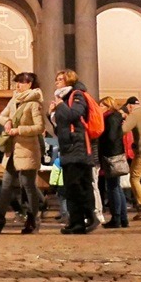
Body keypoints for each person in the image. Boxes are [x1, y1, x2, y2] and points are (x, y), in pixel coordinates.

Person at [0, 72, 46, 234]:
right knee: (6, 183)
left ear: (30, 84)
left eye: (21, 82)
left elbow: (39, 127)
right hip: (12, 150)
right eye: (16, 82)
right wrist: (8, 121)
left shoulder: (34, 103)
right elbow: (1, 117)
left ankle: (33, 219)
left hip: (27, 150)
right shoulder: (14, 100)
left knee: (28, 185)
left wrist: (19, 130)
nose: (17, 86)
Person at [50, 68, 97, 234]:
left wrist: (60, 106)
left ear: (68, 80)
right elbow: (61, 128)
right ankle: (75, 221)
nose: (56, 82)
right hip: (68, 147)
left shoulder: (76, 95)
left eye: (60, 79)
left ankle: (88, 218)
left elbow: (75, 115)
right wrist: (52, 114)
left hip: (77, 147)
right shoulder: (63, 98)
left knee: (77, 186)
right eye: (56, 79)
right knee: (71, 188)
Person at [95, 96, 129, 228]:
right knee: (116, 187)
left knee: (112, 187)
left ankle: (116, 218)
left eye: (101, 105)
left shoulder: (110, 118)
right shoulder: (114, 117)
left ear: (108, 106)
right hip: (114, 154)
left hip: (111, 155)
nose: (99, 108)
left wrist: (100, 137)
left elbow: (111, 137)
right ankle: (123, 218)